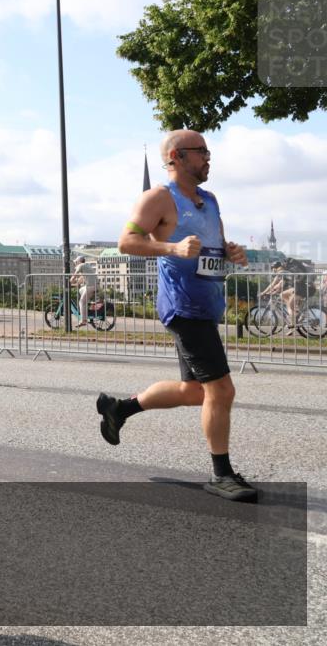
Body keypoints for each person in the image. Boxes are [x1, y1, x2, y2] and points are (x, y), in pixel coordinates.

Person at [96, 129, 255, 502]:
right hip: (183, 306)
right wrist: (172, 246)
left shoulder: (209, 200)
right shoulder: (158, 198)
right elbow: (126, 241)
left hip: (208, 304)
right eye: (201, 151)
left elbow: (213, 246)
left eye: (207, 151)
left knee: (195, 391)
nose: (208, 157)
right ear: (176, 157)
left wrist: (231, 252)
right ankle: (221, 474)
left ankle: (120, 408)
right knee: (222, 389)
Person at [70, 256, 97, 328]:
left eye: (75, 262)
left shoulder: (81, 265)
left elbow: (74, 276)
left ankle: (83, 320)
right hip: (92, 285)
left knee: (81, 302)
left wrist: (69, 281)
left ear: (78, 261)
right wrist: (74, 284)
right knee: (80, 290)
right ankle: (87, 304)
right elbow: (80, 280)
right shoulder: (86, 266)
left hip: (90, 286)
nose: (75, 264)